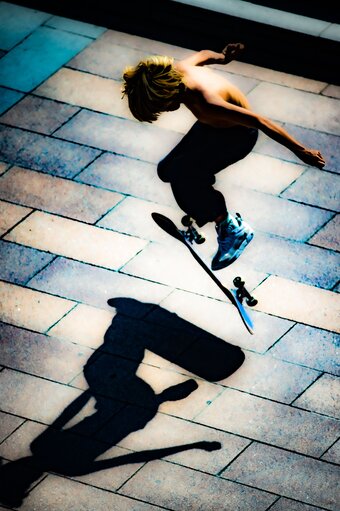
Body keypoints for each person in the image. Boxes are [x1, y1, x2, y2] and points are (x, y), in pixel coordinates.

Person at [122, 43, 326, 270]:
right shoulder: (179, 71)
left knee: (184, 174)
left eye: (163, 106)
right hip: (211, 128)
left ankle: (231, 227)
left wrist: (301, 151)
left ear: (168, 92)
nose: (166, 111)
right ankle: (200, 208)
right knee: (166, 170)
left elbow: (259, 121)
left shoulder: (208, 103)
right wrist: (222, 57)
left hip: (236, 138)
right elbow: (202, 55)